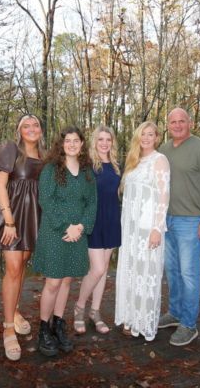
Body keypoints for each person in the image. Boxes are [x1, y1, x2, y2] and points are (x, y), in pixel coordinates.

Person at [0, 114, 45, 361]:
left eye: (35, 124)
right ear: (19, 130)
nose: (31, 128)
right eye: (26, 125)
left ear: (41, 129)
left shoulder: (46, 155)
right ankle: (8, 328)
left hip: (34, 216)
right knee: (14, 268)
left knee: (22, 266)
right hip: (14, 215)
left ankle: (15, 311)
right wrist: (8, 220)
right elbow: (0, 186)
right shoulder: (10, 149)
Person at [158, 107, 200, 346]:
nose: (177, 125)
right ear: (167, 125)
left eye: (181, 121)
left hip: (191, 221)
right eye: (172, 121)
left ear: (190, 123)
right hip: (167, 220)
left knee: (188, 274)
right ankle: (175, 313)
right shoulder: (163, 150)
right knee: (172, 272)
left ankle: (189, 324)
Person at [33, 126, 97, 356]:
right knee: (53, 282)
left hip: (77, 233)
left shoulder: (87, 171)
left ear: (82, 144)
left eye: (76, 140)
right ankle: (43, 329)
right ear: (61, 144)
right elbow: (46, 201)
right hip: (55, 232)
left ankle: (58, 325)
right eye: (67, 140)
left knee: (67, 281)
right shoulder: (51, 169)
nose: (71, 144)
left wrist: (80, 227)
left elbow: (92, 202)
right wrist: (66, 226)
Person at [114, 121, 170, 342]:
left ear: (157, 138)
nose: (146, 138)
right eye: (142, 134)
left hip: (149, 228)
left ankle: (143, 321)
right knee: (131, 271)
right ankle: (129, 316)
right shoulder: (133, 161)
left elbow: (164, 196)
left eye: (150, 134)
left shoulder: (160, 160)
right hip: (131, 228)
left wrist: (157, 229)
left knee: (146, 273)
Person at [74, 125, 121, 335]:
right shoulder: (88, 166)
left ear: (112, 142)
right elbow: (80, 196)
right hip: (94, 221)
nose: (104, 143)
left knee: (104, 272)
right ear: (95, 142)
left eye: (108, 139)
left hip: (112, 219)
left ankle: (95, 311)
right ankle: (79, 307)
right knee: (98, 269)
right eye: (100, 139)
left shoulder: (117, 165)